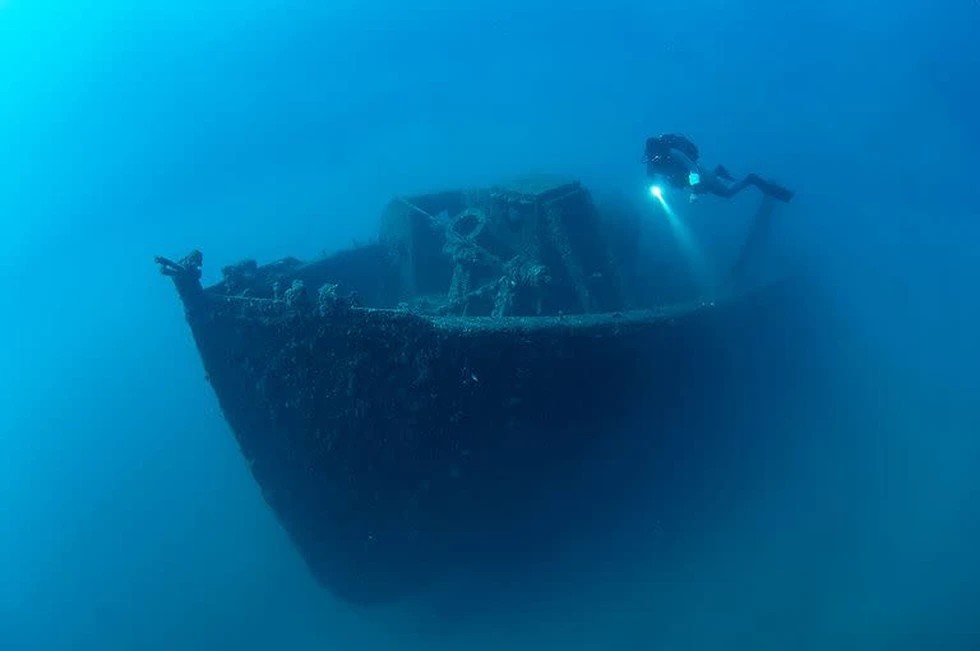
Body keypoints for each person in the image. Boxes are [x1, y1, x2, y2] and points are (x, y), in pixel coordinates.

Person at [643, 133, 795, 203]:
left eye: (658, 156)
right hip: (686, 182)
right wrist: (651, 188)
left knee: (728, 193)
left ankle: (751, 179)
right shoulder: (652, 162)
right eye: (653, 158)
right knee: (708, 189)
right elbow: (650, 178)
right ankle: (718, 171)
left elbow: (693, 169)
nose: (656, 159)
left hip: (702, 177)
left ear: (662, 151)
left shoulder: (674, 153)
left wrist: (695, 191)